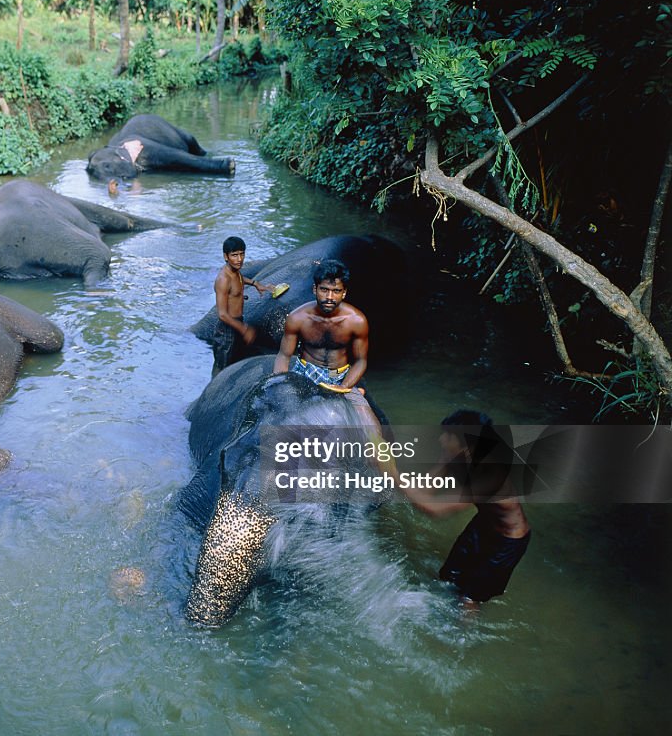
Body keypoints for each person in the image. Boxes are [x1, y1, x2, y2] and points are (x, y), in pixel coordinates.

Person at [380, 410, 531, 606]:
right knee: (449, 576)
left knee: (470, 598)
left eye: (448, 436)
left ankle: (463, 634)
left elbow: (435, 509)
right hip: (483, 524)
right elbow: (425, 490)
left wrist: (392, 474)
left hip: (507, 540)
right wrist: (389, 468)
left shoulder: (489, 474)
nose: (441, 439)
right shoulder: (453, 454)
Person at [273, 259, 368, 393]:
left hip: (339, 375)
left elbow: (360, 361)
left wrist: (344, 386)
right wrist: (280, 382)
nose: (329, 297)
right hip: (305, 373)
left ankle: (358, 393)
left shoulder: (357, 321)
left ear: (344, 293)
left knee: (362, 410)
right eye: (324, 289)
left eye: (336, 291)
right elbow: (284, 355)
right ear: (314, 289)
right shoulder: (298, 318)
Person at [212, 236, 272, 376]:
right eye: (234, 255)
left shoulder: (235, 271)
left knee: (235, 362)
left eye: (242, 254)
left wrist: (255, 283)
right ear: (226, 256)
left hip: (237, 323)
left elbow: (239, 279)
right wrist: (244, 329)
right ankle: (214, 394)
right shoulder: (223, 279)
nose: (239, 259)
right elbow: (222, 314)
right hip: (227, 329)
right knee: (222, 367)